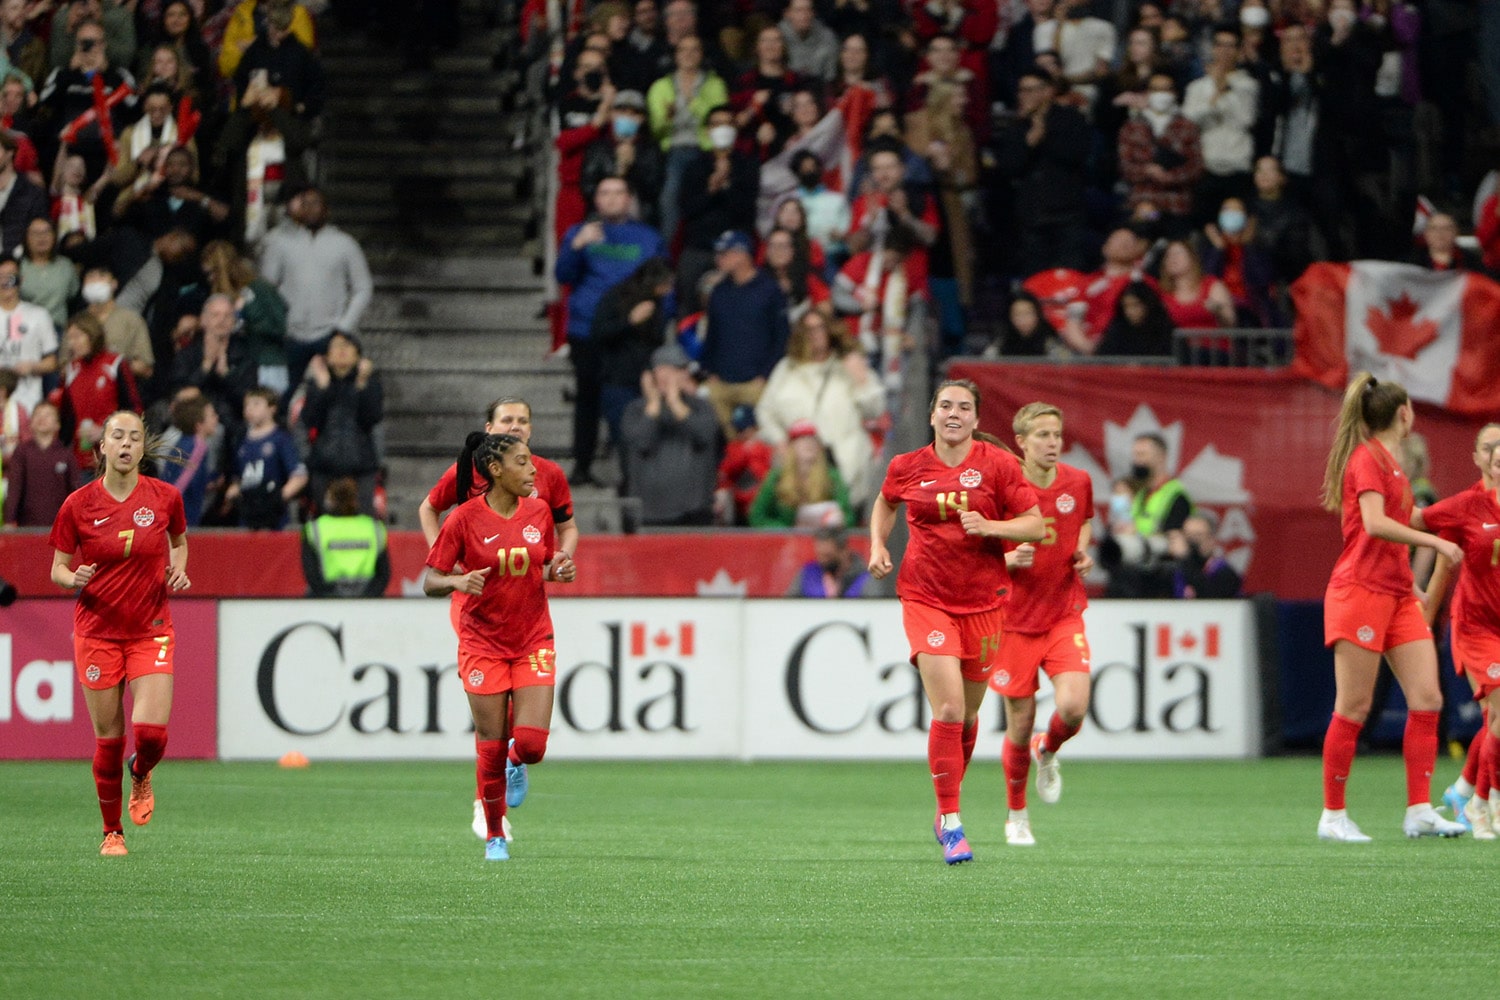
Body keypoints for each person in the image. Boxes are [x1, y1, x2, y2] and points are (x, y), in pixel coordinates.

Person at [868, 379, 1044, 864]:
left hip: (985, 604)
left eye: (964, 407)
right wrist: (878, 544)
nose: (953, 413)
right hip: (926, 598)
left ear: (976, 420)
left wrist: (993, 528)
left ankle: (945, 806)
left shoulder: (1000, 466)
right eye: (945, 405)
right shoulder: (907, 467)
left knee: (966, 718)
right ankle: (950, 821)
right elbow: (886, 502)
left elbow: (1035, 525)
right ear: (932, 416)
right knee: (947, 710)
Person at [417, 395, 576, 843]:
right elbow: (429, 510)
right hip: (478, 608)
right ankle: (490, 814)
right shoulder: (468, 480)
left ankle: (512, 761)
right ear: (489, 429)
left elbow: (561, 535)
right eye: (508, 420)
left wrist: (560, 565)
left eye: (524, 420)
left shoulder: (542, 483)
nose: (517, 425)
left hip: (525, 608)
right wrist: (449, 568)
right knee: (497, 719)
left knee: (522, 734)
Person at [1316, 372, 1466, 842]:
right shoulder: (1367, 459)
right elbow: (1378, 524)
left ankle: (1418, 809)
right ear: (1404, 414)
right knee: (1354, 706)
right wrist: (1435, 544)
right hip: (1359, 592)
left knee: (1427, 698)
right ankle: (1333, 816)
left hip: (1397, 595)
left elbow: (1408, 519)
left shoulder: (1394, 464)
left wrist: (1462, 513)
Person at [49, 410, 190, 857]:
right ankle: (112, 832)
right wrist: (74, 578)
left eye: (134, 437)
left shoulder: (165, 498)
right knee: (108, 741)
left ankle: (142, 771)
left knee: (150, 735)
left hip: (150, 629)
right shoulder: (78, 504)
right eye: (117, 436)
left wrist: (178, 570)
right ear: (103, 447)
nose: (126, 443)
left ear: (141, 448)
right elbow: (56, 568)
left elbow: (180, 541)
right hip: (97, 632)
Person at [991, 402, 1094, 847]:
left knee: (1072, 708)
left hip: (1061, 611)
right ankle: (1016, 816)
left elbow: (1083, 522)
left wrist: (1082, 553)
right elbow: (976, 548)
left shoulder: (1078, 482)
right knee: (1020, 720)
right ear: (1021, 442)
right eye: (1042, 436)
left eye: (1056, 434)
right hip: (1011, 620)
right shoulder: (1004, 489)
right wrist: (1008, 559)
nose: (1053, 443)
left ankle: (1046, 749)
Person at [554, 175, 666, 487]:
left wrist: (656, 323)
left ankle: (632, 472)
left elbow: (662, 284)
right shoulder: (580, 233)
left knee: (628, 403)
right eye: (605, 192)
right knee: (587, 399)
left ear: (629, 199)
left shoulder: (647, 237)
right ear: (596, 200)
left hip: (630, 333)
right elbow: (562, 275)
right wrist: (576, 246)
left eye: (619, 192)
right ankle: (582, 466)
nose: (613, 198)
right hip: (587, 330)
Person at [1429, 423, 1500, 836]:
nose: (1496, 453)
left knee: (1494, 720)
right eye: (1489, 447)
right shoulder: (1467, 507)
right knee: (1496, 717)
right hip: (1475, 626)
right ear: (1477, 458)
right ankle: (1482, 802)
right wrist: (1425, 620)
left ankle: (1464, 790)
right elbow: (1441, 566)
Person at [620, 343, 718, 526]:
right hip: (648, 514)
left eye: (677, 370)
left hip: (693, 512)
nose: (671, 377)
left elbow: (704, 435)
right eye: (665, 371)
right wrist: (654, 406)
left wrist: (675, 402)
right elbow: (640, 442)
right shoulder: (635, 410)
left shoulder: (701, 407)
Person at [299, 330, 382, 517]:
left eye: (347, 346)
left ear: (358, 355)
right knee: (324, 518)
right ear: (326, 356)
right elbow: (310, 420)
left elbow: (372, 418)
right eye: (336, 346)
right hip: (324, 463)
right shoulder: (318, 384)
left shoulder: (370, 383)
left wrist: (361, 384)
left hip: (361, 463)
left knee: (364, 518)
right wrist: (323, 388)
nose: (342, 350)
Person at [59, 312, 142, 471]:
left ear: (92, 335)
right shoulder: (71, 370)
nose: (72, 344)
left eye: (77, 337)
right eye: (69, 338)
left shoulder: (115, 363)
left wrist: (107, 431)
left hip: (114, 458)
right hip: (82, 459)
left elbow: (134, 409)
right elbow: (67, 418)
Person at [748, 419, 853, 528]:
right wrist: (787, 531)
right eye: (801, 439)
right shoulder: (777, 477)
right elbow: (757, 516)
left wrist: (836, 522)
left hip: (823, 540)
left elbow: (848, 516)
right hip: (786, 542)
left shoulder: (832, 476)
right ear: (791, 447)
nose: (808, 443)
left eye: (812, 439)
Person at [225, 387, 306, 530]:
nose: (250, 409)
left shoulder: (281, 439)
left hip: (274, 517)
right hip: (248, 515)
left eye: (256, 404)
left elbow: (299, 476)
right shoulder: (241, 440)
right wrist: (234, 491)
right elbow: (238, 477)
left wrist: (276, 499)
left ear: (272, 408)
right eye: (247, 405)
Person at [302, 476, 389, 598]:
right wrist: (367, 597)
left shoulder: (315, 528)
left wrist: (331, 596)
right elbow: (383, 575)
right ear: (355, 499)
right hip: (367, 595)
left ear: (330, 500)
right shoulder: (374, 528)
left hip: (326, 597)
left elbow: (312, 575)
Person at [3, 399, 79, 526]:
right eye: (38, 414)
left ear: (57, 424)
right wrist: (9, 520)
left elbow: (75, 491)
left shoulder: (66, 455)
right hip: (27, 527)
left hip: (60, 527)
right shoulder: (22, 452)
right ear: (30, 422)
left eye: (48, 415)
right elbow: (14, 488)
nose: (42, 419)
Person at [1168, 510, 1243, 598]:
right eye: (1187, 535)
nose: (1191, 541)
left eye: (1197, 535)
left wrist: (1185, 558)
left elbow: (1209, 596)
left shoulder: (1224, 573)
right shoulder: (1177, 570)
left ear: (1212, 540)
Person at [786, 525, 875, 597]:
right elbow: (788, 606)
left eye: (828, 556)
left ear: (844, 551)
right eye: (819, 555)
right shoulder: (807, 574)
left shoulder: (865, 579)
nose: (822, 561)